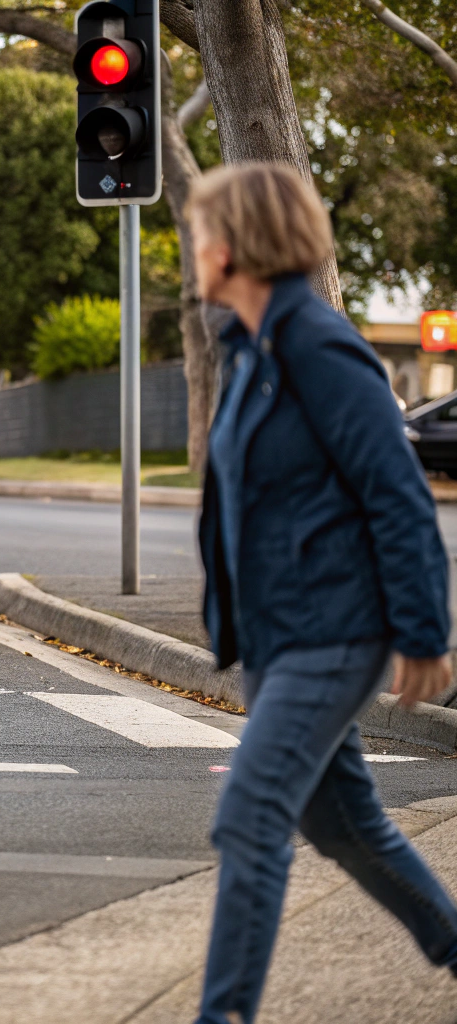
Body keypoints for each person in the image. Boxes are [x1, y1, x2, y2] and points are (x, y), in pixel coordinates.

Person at [187, 161, 457, 1024]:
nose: (192, 250)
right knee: (341, 825)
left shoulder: (319, 344)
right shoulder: (254, 351)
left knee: (249, 816)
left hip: (334, 630)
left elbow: (397, 491)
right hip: (278, 633)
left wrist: (423, 630)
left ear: (232, 246)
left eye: (199, 234)